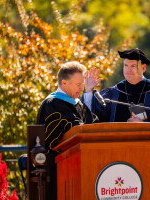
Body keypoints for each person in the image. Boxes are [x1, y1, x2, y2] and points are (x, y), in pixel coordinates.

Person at [82, 48, 150, 158]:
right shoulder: (114, 92)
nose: (128, 69)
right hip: (114, 155)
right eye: (125, 65)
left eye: (133, 66)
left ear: (143, 68)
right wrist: (88, 92)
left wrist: (143, 127)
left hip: (144, 156)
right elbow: (95, 120)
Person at [37, 61, 99, 200]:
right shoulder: (52, 104)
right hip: (56, 170)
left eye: (82, 85)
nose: (81, 88)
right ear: (64, 83)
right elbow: (73, 128)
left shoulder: (78, 104)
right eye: (78, 85)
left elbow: (94, 125)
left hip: (79, 166)